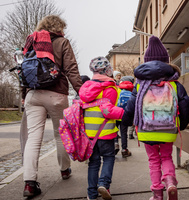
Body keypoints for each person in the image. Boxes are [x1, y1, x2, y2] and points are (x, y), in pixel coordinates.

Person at [121, 36, 189, 200]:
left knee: (153, 160)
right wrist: (181, 125)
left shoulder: (140, 84)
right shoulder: (174, 83)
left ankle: (157, 195)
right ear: (166, 61)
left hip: (147, 130)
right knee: (166, 157)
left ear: (146, 62)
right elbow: (185, 105)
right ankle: (170, 181)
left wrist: (124, 122)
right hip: (168, 129)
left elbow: (131, 107)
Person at [22, 15, 83, 198]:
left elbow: (23, 68)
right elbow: (71, 69)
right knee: (60, 133)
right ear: (59, 27)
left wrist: (25, 94)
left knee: (34, 137)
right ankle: (64, 170)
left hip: (33, 94)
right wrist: (82, 91)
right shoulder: (62, 42)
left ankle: (29, 183)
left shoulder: (31, 40)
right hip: (56, 93)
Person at [79, 56, 124, 200]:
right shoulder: (109, 88)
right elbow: (108, 111)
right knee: (109, 158)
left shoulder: (86, 88)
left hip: (89, 135)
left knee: (93, 163)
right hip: (106, 133)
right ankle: (104, 183)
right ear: (108, 70)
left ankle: (91, 193)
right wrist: (125, 113)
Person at [115, 76, 134, 158]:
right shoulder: (131, 91)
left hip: (115, 113)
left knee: (115, 131)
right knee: (124, 133)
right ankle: (124, 149)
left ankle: (115, 144)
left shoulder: (117, 89)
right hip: (124, 115)